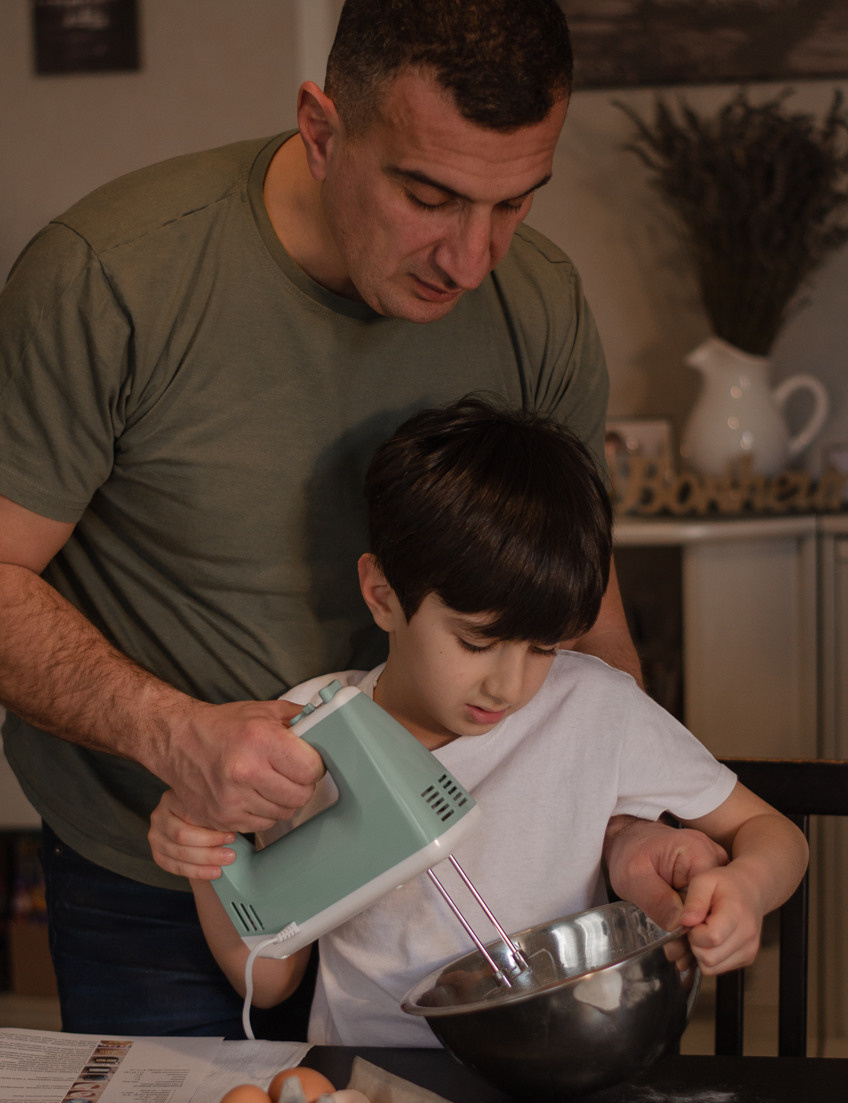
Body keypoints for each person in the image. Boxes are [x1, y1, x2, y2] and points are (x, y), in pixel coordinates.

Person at [0, 0, 714, 1036]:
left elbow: (581, 617)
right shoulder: (112, 278)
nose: (470, 259)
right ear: (322, 130)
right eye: (429, 196)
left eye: (513, 203)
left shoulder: (539, 304)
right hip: (184, 884)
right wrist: (175, 736)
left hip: (448, 893)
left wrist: (624, 824)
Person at [149, 399, 809, 1047]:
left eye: (542, 647)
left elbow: (774, 833)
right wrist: (206, 846)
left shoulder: (597, 709)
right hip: (378, 1087)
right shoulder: (308, 740)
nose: (510, 684)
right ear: (383, 595)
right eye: (476, 642)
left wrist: (745, 885)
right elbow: (269, 983)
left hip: (555, 1069)